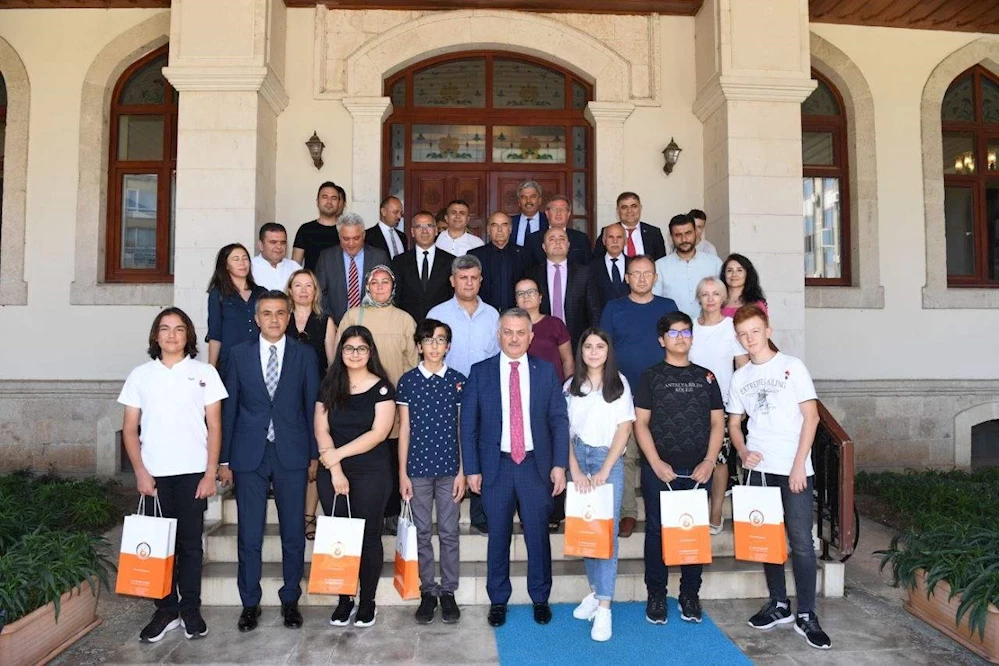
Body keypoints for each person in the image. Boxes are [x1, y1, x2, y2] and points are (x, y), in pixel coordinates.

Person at [119, 307, 227, 643]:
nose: (171, 335)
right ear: (156, 335)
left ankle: (190, 609)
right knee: (159, 546)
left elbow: (215, 426)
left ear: (188, 336)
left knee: (191, 545)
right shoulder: (140, 375)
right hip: (155, 476)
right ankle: (165, 610)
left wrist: (210, 473)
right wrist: (140, 472)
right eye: (165, 329)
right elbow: (129, 429)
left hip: (193, 474)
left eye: (179, 329)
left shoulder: (205, 372)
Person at [728, 305, 831, 650]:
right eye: (743, 335)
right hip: (759, 469)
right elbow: (733, 423)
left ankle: (807, 613)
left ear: (768, 331)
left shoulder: (792, 366)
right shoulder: (740, 377)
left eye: (755, 332)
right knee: (767, 538)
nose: (749, 339)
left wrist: (799, 464)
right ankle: (779, 604)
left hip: (793, 469)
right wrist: (742, 451)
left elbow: (811, 418)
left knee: (801, 541)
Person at [461, 308, 569, 628]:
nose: (514, 338)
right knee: (498, 536)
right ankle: (498, 600)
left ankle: (540, 597)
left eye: (521, 332)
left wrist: (559, 464)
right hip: (497, 467)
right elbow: (468, 425)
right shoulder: (480, 372)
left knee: (538, 536)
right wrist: (472, 468)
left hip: (535, 467)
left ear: (531, 337)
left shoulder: (545, 371)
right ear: (498, 335)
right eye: (508, 332)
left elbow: (558, 421)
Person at [219, 290, 320, 633]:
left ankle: (290, 599)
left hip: (292, 452)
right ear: (256, 318)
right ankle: (250, 603)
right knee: (249, 533)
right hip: (250, 453)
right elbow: (229, 408)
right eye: (267, 313)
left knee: (293, 532)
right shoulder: (238, 354)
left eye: (280, 313)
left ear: (289, 317)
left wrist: (313, 454)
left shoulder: (305, 355)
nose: (274, 319)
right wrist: (225, 459)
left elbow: (312, 406)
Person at [633, 311, 725, 626]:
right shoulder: (650, 377)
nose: (681, 338)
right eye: (673, 333)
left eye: (686, 332)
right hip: (660, 469)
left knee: (693, 531)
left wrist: (709, 462)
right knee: (656, 532)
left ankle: (689, 594)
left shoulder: (706, 377)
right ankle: (656, 595)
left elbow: (718, 423)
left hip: (698, 469)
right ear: (662, 340)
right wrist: (655, 462)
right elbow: (641, 424)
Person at [316, 326, 396, 628]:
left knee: (369, 537)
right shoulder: (329, 385)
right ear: (341, 352)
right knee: (340, 536)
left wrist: (338, 454)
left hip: (371, 472)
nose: (355, 354)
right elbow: (321, 430)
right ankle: (344, 599)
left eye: (361, 348)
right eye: (349, 348)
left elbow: (378, 433)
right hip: (332, 471)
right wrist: (335, 469)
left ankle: (367, 602)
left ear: (370, 352)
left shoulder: (383, 388)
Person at [334, 265, 418, 533]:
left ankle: (390, 512)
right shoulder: (352, 315)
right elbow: (339, 355)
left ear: (393, 287)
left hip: (393, 401)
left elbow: (412, 362)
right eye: (374, 282)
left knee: (391, 457)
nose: (380, 287)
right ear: (367, 286)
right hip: (357, 402)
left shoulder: (404, 319)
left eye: (385, 282)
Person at [598, 255, 677, 539]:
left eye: (647, 273)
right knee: (627, 455)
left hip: (663, 392)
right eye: (636, 273)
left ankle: (668, 509)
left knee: (662, 453)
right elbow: (604, 347)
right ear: (627, 278)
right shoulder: (614, 307)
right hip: (625, 393)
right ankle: (628, 512)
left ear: (655, 277)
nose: (642, 278)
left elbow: (678, 344)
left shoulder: (667, 307)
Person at [565, 327, 635, 642]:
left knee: (606, 534)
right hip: (578, 459)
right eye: (588, 346)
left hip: (609, 459)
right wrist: (575, 469)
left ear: (608, 351)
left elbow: (624, 429)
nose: (594, 352)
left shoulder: (619, 384)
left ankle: (605, 607)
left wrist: (605, 469)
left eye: (600, 346)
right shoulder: (571, 386)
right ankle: (595, 592)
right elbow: (563, 431)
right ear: (581, 351)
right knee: (586, 530)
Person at [397, 319, 466, 625]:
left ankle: (448, 591)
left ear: (448, 346)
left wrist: (463, 471)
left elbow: (463, 429)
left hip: (450, 470)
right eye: (428, 340)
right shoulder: (408, 381)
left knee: (449, 532)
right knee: (422, 533)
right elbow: (404, 430)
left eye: (440, 340)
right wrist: (402, 473)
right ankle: (427, 591)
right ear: (419, 346)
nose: (434, 346)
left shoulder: (458, 381)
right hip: (418, 470)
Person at [426, 254, 500, 534]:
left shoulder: (493, 315)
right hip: (445, 392)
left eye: (473, 278)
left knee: (482, 450)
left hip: (484, 394)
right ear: (452, 280)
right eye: (463, 277)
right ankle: (447, 512)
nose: (468, 283)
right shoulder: (437, 314)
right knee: (450, 448)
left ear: (481, 281)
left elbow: (498, 356)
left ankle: (481, 513)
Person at [688, 276, 748, 534]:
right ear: (698, 299)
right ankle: (692, 511)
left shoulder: (731, 329)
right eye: (705, 294)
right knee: (694, 457)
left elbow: (743, 369)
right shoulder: (690, 328)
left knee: (720, 460)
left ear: (723, 298)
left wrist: (740, 406)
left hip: (721, 404)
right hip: (691, 404)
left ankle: (715, 513)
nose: (710, 299)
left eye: (715, 294)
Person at [285, 268, 336, 540]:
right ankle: (291, 516)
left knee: (316, 457)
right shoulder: (281, 319)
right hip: (284, 400)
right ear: (289, 290)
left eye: (309, 285)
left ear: (316, 291)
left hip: (317, 399)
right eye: (298, 285)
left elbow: (333, 365)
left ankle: (308, 516)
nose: (303, 290)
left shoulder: (326, 321)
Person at [525, 227, 601, 350]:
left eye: (562, 239)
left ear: (568, 245)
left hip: (577, 341)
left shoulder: (584, 273)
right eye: (552, 239)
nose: (557, 242)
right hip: (542, 341)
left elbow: (594, 310)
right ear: (544, 247)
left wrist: (592, 340)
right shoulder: (533, 274)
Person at [315, 212, 390, 326]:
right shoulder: (327, 258)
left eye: (356, 238)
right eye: (346, 239)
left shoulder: (379, 257)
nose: (351, 244)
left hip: (373, 324)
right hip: (336, 325)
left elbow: (387, 293)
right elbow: (320, 294)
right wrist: (330, 323)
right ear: (339, 236)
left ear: (363, 235)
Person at [206, 243, 267, 376]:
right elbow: (215, 333)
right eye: (236, 259)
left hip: (260, 359)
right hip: (230, 361)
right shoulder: (218, 294)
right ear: (226, 265)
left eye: (245, 258)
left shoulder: (261, 293)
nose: (242, 263)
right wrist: (211, 369)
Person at [653, 214, 723, 318]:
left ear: (695, 232)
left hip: (709, 325)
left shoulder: (714, 263)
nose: (684, 239)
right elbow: (656, 302)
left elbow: (724, 297)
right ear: (671, 237)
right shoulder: (660, 266)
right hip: (673, 326)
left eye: (688, 233)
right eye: (678, 235)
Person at [392, 210, 455, 324]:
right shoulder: (399, 261)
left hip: (441, 324)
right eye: (419, 226)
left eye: (429, 226)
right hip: (408, 325)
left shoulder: (450, 261)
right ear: (412, 232)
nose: (424, 231)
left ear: (436, 231)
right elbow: (396, 296)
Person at [516, 278, 573, 382]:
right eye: (520, 293)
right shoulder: (512, 326)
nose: (526, 296)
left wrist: (568, 386)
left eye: (531, 292)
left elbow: (567, 360)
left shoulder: (555, 324)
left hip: (553, 385)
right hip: (522, 385)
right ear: (516, 301)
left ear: (540, 298)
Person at [468, 211, 526, 312]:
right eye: (495, 225)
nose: (499, 230)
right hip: (483, 313)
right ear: (488, 230)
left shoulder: (523, 254)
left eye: (504, 225)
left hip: (516, 313)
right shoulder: (475, 255)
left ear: (510, 229)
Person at [593, 192, 668, 261]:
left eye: (634, 206)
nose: (629, 211)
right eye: (624, 207)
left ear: (640, 208)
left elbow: (661, 263)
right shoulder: (608, 231)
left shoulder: (654, 233)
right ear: (618, 211)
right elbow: (598, 261)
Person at [524, 195, 591, 268]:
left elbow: (588, 267)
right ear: (547, 213)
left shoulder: (581, 238)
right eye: (554, 209)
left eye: (562, 209)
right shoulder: (533, 239)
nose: (558, 213)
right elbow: (527, 268)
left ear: (568, 214)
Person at [293, 182, 342, 271]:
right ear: (317, 201)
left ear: (339, 203)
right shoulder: (305, 229)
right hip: (312, 279)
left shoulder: (345, 231)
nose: (329, 202)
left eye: (334, 198)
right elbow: (295, 267)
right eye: (325, 197)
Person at [588, 223, 630, 315]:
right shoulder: (591, 267)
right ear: (604, 241)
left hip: (631, 318)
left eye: (619, 237)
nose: (615, 241)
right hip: (602, 320)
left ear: (625, 241)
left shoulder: (634, 265)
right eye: (611, 237)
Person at [252, 223, 303, 291]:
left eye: (283, 243)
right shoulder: (249, 268)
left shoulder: (295, 268)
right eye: (273, 242)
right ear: (261, 245)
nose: (279, 247)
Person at [721, 253, 768, 318]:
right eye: (729, 270)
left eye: (739, 270)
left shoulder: (756, 304)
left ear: (747, 274)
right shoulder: (716, 301)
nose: (734, 274)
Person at [367, 196, 409, 260]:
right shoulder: (368, 236)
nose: (399, 216)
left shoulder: (402, 237)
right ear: (383, 212)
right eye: (395, 212)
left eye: (401, 213)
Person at [511, 180, 549, 247]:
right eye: (524, 197)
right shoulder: (510, 222)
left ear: (539, 200)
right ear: (519, 202)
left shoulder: (548, 221)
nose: (528, 201)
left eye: (532, 196)